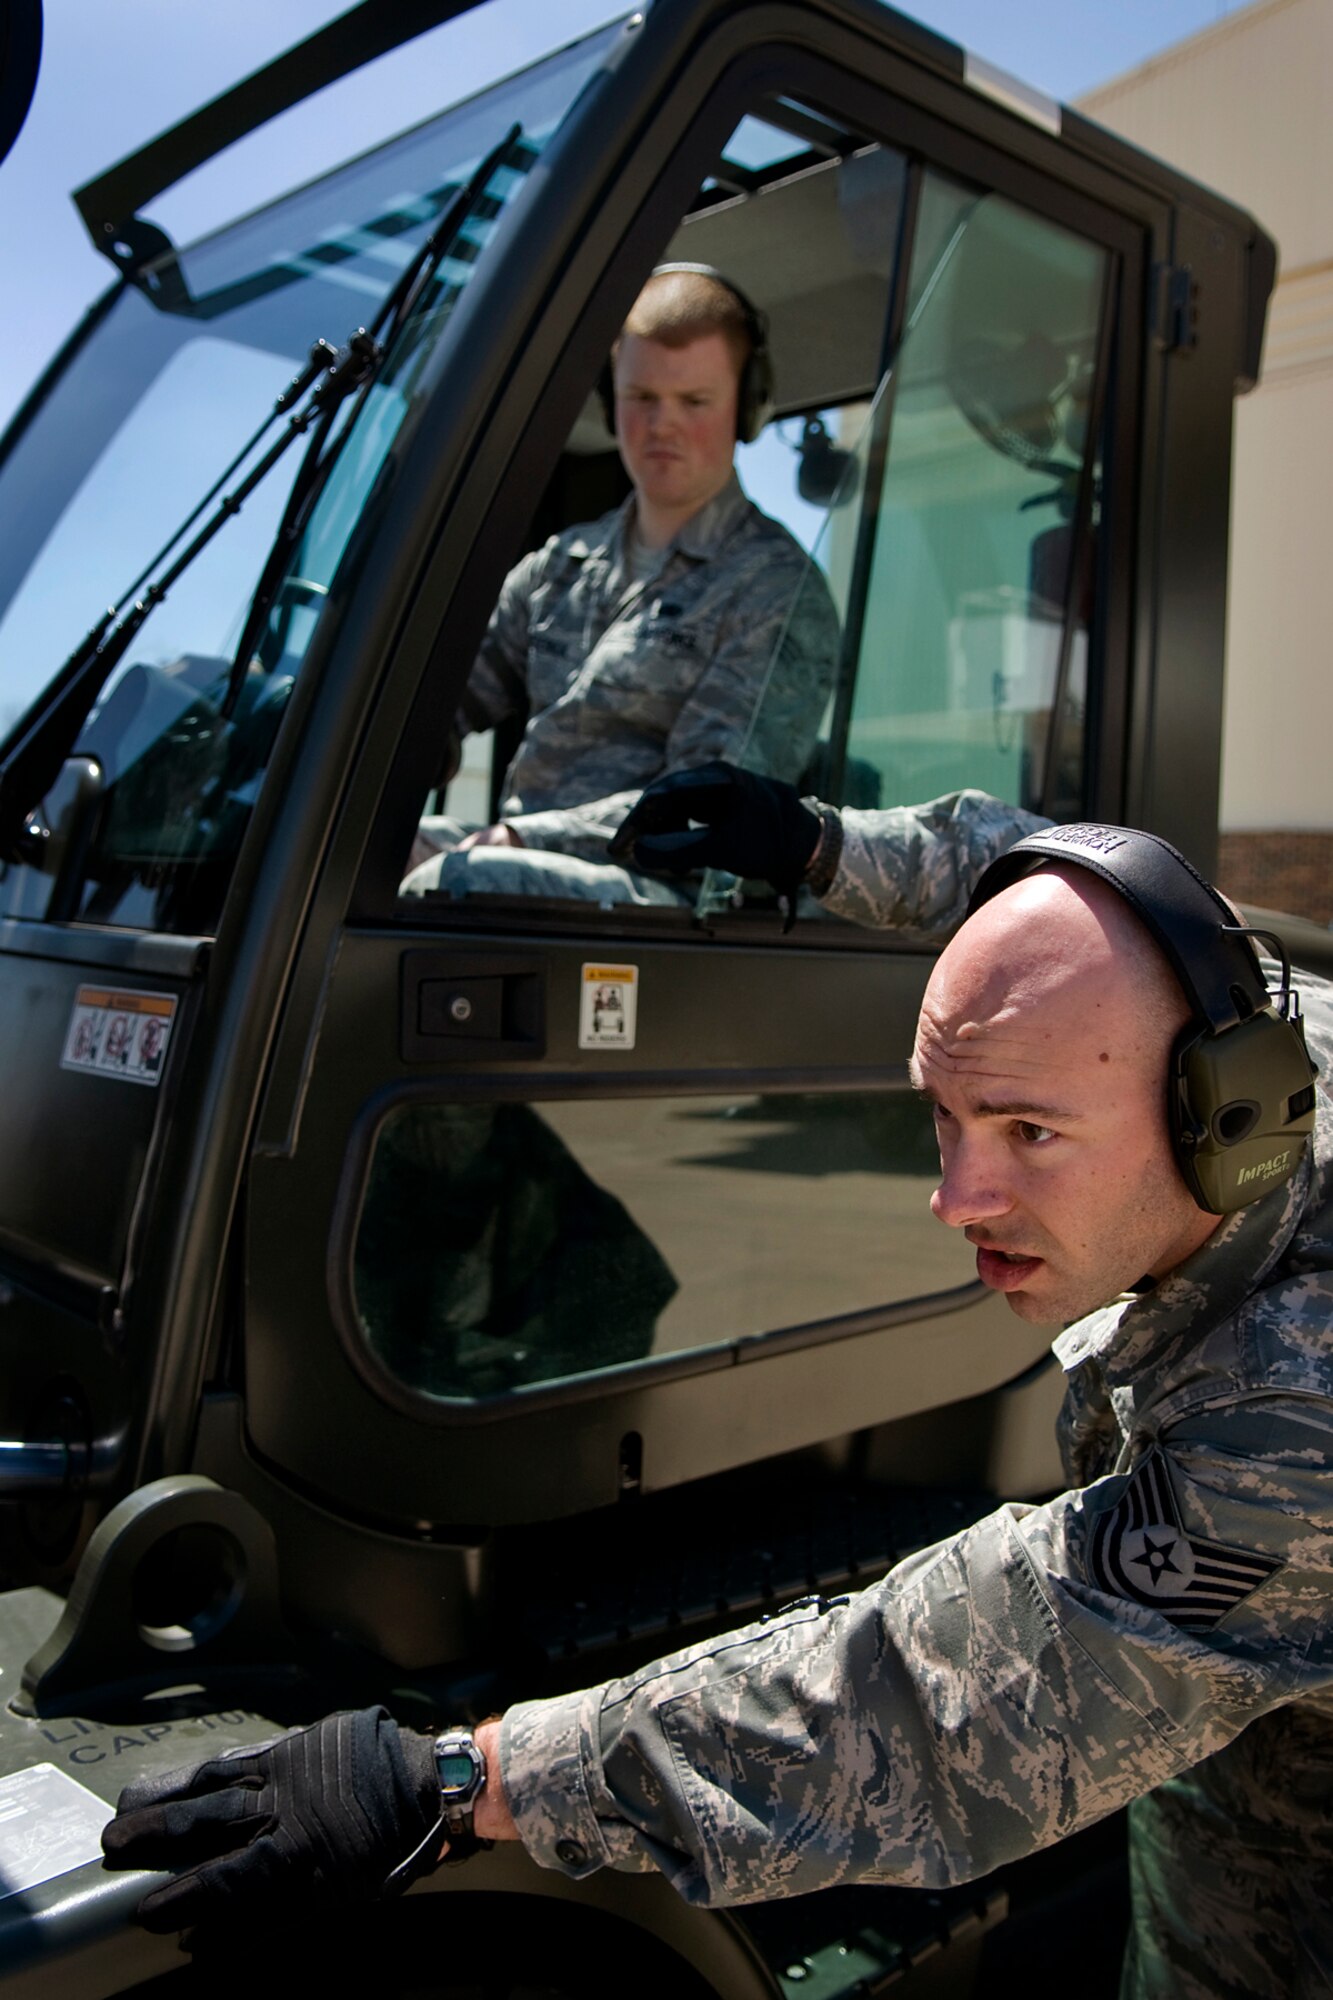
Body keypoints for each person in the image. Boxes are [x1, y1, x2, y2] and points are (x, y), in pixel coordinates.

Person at [102, 800, 1330, 2000]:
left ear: (1222, 1114)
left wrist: (463, 1778)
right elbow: (1041, 865)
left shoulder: (1296, 1407)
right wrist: (823, 847)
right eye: (943, 1113)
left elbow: (953, 1695)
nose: (955, 1195)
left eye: (1027, 1129)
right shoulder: (1258, 1024)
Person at [399, 268, 839, 906]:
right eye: (641, 398)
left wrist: (521, 839)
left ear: (745, 409)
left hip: (669, 893)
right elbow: (448, 693)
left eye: (694, 402)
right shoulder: (561, 565)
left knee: (459, 881)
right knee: (354, 855)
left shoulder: (776, 590)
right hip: (527, 859)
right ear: (611, 401)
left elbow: (704, 812)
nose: (662, 425)